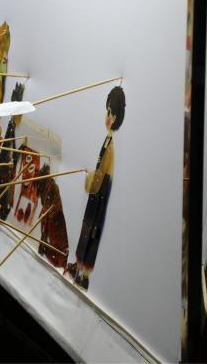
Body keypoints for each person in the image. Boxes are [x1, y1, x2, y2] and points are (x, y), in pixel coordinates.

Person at [67, 85, 126, 290]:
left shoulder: (111, 146)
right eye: (107, 111)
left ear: (116, 117)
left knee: (92, 231)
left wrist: (90, 179)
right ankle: (78, 267)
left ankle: (84, 274)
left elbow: (102, 175)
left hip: (100, 193)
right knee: (86, 227)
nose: (107, 117)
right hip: (97, 192)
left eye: (110, 113)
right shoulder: (107, 140)